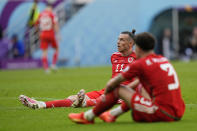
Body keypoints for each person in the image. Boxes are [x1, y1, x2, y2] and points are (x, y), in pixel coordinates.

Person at [68, 32, 185, 124]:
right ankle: (112, 114)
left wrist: (109, 94)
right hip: (178, 111)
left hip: (161, 113)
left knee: (117, 88)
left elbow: (112, 84)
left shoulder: (140, 64)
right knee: (138, 87)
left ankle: (87, 117)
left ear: (138, 48)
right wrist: (126, 92)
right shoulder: (162, 59)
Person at [19, 30, 144, 110]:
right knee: (73, 97)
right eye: (118, 39)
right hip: (107, 90)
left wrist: (127, 93)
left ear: (130, 44)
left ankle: (83, 103)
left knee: (90, 101)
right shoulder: (114, 56)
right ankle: (41, 104)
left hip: (122, 94)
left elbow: (141, 81)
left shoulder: (138, 58)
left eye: (122, 40)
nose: (118, 42)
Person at [36, 3, 59, 73]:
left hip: (43, 34)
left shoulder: (40, 14)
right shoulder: (52, 14)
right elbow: (55, 24)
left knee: (44, 52)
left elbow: (36, 24)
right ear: (50, 8)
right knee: (56, 48)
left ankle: (46, 69)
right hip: (50, 33)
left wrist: (39, 33)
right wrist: (58, 34)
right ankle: (53, 64)